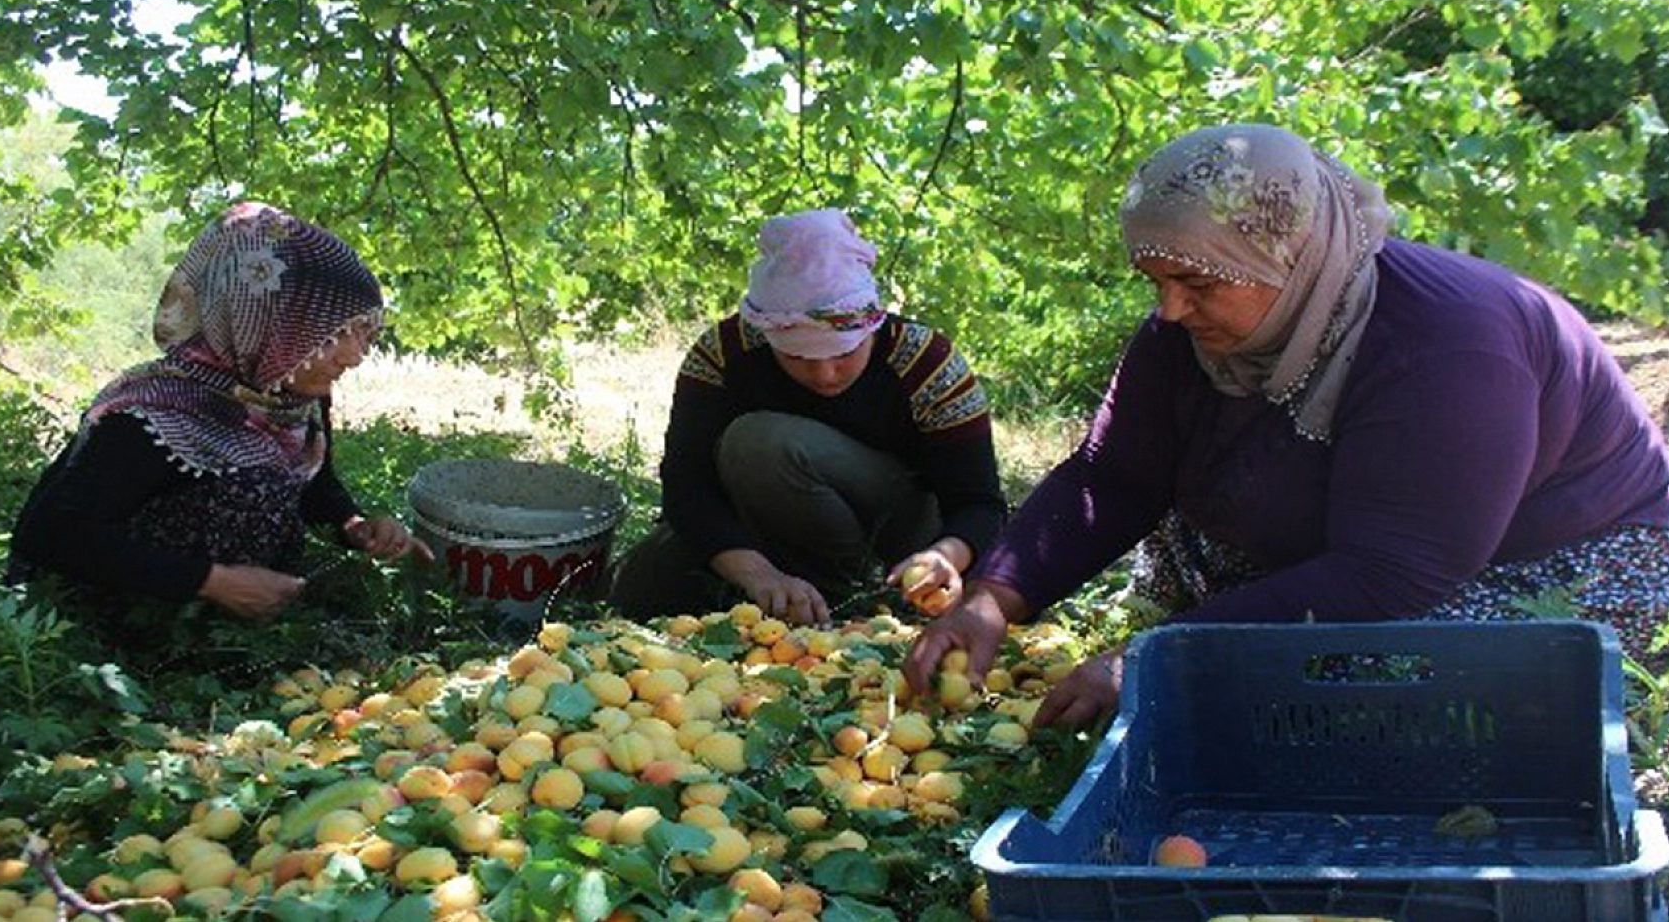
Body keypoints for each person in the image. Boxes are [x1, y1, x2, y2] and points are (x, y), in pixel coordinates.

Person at [903, 123, 1669, 728]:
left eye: (1197, 282)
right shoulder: (1185, 332)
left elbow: (1393, 573)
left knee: (1398, 690)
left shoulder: (1449, 346)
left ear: (1291, 258)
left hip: (1550, 558)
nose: (1169, 309)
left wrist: (1155, 656)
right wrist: (994, 595)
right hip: (1368, 538)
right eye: (1156, 281)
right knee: (1244, 619)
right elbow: (1113, 475)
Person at [6, 201, 431, 639]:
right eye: (334, 335)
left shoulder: (290, 398)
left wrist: (355, 525)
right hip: (92, 625)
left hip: (222, 624)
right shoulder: (161, 410)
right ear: (265, 323)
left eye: (364, 332)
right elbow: (50, 532)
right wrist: (212, 582)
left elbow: (315, 484)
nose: (355, 356)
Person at [604, 209, 1006, 625]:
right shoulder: (725, 355)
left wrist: (945, 556)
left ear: (871, 327)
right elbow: (686, 484)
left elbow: (980, 503)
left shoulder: (926, 362)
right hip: (766, 521)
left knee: (760, 444)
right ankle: (786, 587)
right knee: (642, 583)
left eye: (846, 353)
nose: (825, 374)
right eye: (798, 357)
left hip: (896, 530)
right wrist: (757, 574)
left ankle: (855, 593)